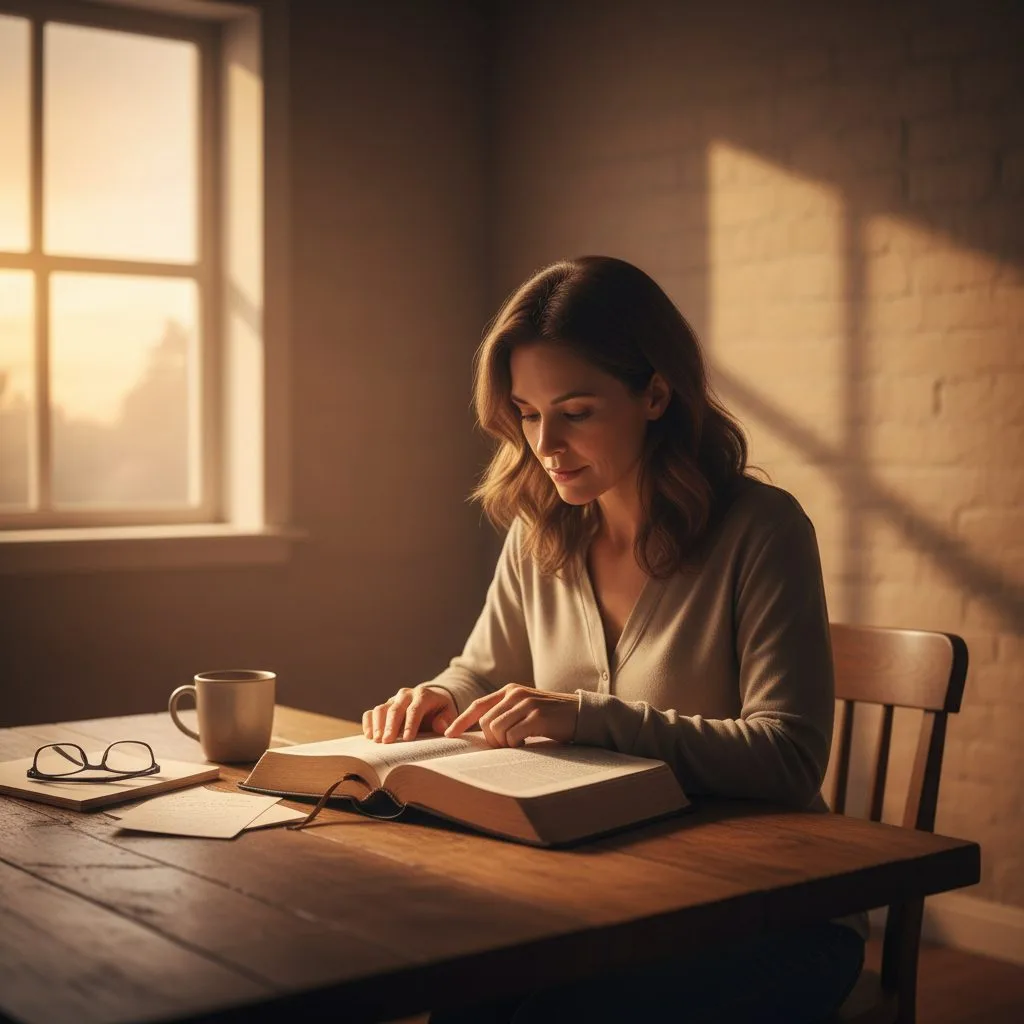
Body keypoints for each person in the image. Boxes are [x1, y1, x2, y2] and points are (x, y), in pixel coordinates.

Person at [361, 256, 866, 1023]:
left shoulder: (762, 530)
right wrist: (442, 694)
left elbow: (790, 755)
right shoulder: (541, 530)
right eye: (527, 414)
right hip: (612, 893)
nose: (546, 444)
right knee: (468, 994)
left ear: (656, 393)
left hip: (770, 918)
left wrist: (585, 715)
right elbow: (482, 669)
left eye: (577, 411)